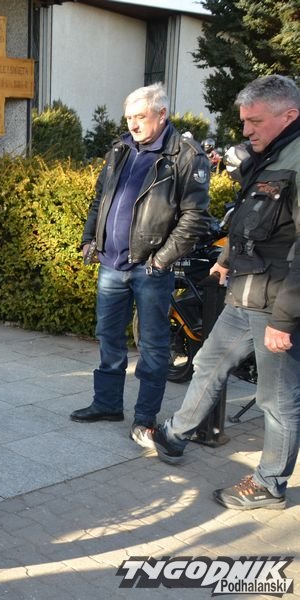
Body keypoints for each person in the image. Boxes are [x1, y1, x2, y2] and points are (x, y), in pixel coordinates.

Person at [147, 75, 300, 511]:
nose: (246, 130)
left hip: (277, 303)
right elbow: (252, 217)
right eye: (244, 121)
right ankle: (175, 435)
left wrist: (285, 320)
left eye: (255, 121)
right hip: (245, 292)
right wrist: (228, 258)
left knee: (277, 399)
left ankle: (270, 485)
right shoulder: (271, 155)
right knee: (208, 364)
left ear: (289, 115)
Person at [71, 83, 211, 444]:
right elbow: (100, 198)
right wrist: (89, 238)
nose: (133, 124)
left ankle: (145, 418)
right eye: (129, 117)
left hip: (150, 268)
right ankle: (107, 403)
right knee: (108, 337)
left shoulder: (184, 155)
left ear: (161, 114)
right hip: (112, 263)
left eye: (140, 117)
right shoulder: (120, 148)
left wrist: (161, 260)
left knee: (152, 346)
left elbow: (194, 217)